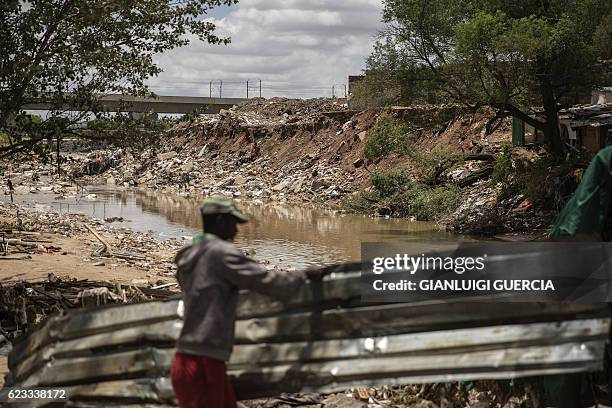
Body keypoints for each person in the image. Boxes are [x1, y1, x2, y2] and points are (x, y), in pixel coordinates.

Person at [171, 196, 324, 408]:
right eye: (233, 223)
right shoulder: (221, 253)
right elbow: (269, 282)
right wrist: (305, 277)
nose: (236, 230)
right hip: (205, 361)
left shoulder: (190, 253)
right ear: (219, 221)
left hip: (185, 357)